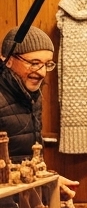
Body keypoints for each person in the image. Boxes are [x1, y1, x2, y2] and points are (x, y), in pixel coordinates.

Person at [0, 27, 54, 159]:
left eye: (48, 64)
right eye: (34, 63)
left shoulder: (32, 94)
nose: (42, 73)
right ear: (8, 60)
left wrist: (47, 178)